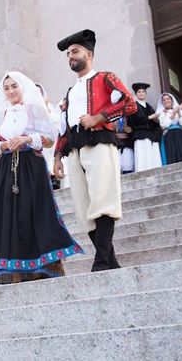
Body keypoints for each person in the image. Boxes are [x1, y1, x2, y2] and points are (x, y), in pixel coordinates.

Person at [0, 71, 83, 284]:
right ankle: (15, 270)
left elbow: (50, 139)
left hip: (32, 166)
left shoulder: (34, 110)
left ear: (22, 87)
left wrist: (26, 139)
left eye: (14, 86)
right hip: (6, 170)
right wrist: (3, 145)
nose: (11, 91)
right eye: (7, 88)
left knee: (35, 213)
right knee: (9, 216)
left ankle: (45, 265)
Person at [53, 29, 137, 271]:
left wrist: (98, 117)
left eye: (75, 51)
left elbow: (129, 104)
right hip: (74, 150)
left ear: (88, 54)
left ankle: (100, 262)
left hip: (100, 141)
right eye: (68, 53)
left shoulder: (105, 77)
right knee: (83, 208)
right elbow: (63, 126)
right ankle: (111, 263)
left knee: (103, 199)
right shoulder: (69, 92)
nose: (70, 56)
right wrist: (57, 156)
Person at [127, 83, 162, 172]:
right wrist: (149, 117)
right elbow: (133, 121)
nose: (141, 93)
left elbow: (154, 124)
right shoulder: (133, 106)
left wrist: (155, 120)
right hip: (140, 134)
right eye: (139, 92)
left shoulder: (149, 106)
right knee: (143, 157)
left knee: (153, 158)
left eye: (143, 91)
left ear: (145, 93)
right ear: (136, 94)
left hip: (151, 135)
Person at [157, 92, 182, 165]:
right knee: (172, 155)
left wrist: (179, 112)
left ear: (172, 100)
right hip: (169, 136)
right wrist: (173, 114)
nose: (166, 101)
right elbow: (164, 125)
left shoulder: (178, 110)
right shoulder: (161, 113)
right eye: (164, 100)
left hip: (180, 134)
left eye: (168, 99)